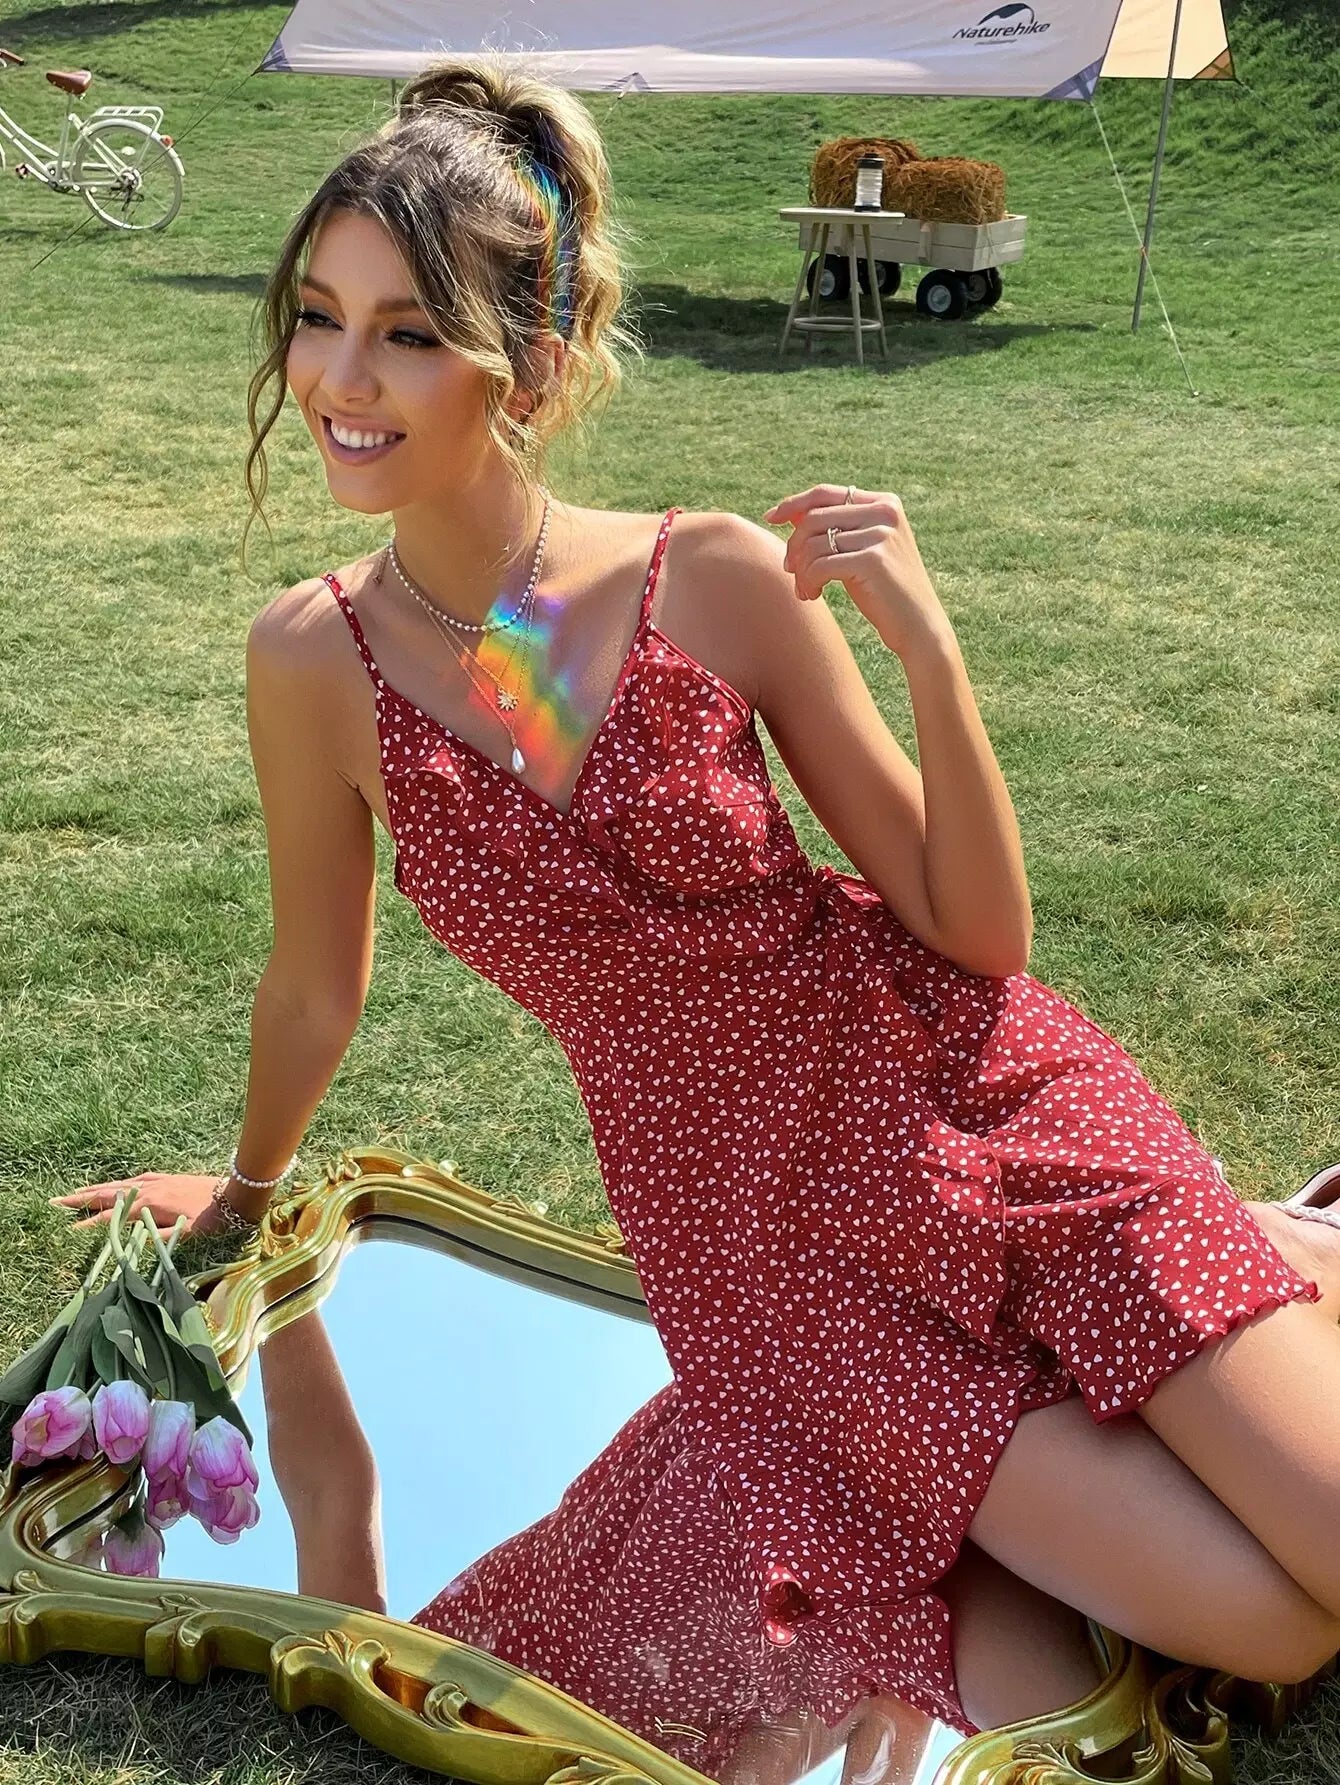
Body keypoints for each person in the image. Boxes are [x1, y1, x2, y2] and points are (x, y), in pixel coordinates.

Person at [48, 50, 1340, 1772]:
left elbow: (977, 935)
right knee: (1272, 1621)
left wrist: (931, 657)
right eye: (319, 317)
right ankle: (1229, 1295)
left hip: (967, 1104)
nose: (342, 379)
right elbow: (311, 985)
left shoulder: (710, 577)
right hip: (766, 1252)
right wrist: (249, 1193)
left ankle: (1249, 1258)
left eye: (409, 334)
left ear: (534, 359)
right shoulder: (313, 662)